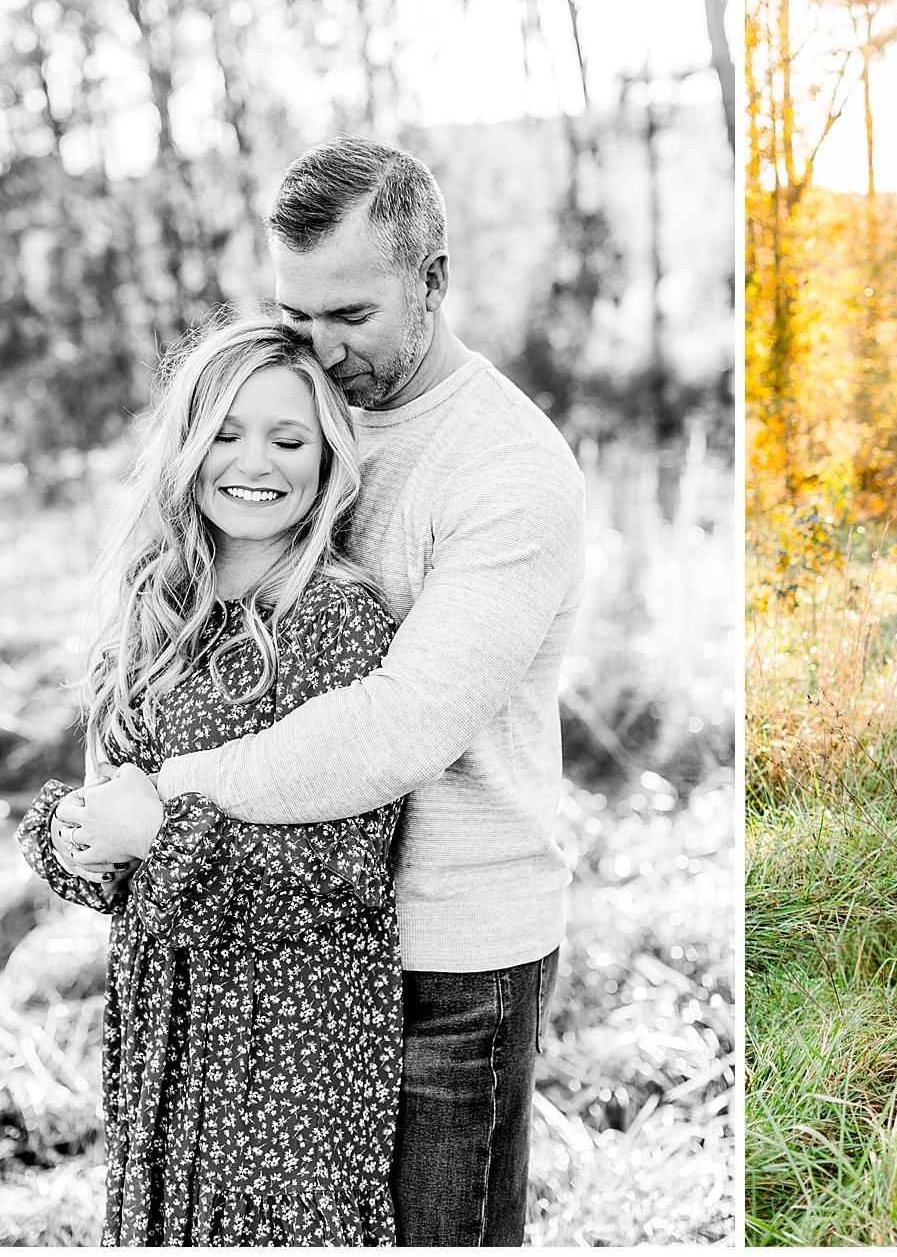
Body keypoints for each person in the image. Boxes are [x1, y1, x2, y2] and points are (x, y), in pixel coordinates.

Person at [54, 136, 587, 1246]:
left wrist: (165, 797)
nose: (322, 348)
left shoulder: (508, 469)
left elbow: (402, 724)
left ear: (433, 280)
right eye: (297, 315)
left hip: (452, 947)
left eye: (352, 316)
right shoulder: (295, 414)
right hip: (278, 965)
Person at [20, 317, 404, 1244]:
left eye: (288, 437)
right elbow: (109, 828)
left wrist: (156, 834)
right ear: (188, 445)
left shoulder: (338, 622)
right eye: (227, 432)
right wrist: (80, 834)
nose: (255, 461)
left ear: (327, 456)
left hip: (292, 1040)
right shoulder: (154, 608)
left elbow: (348, 869)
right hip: (163, 1019)